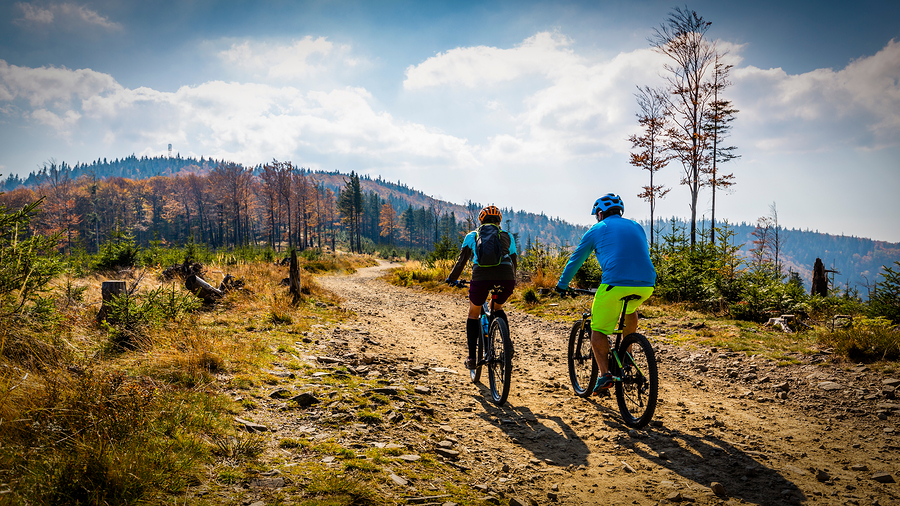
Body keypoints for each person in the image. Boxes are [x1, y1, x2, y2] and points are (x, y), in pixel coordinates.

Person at [556, 193, 656, 392]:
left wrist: (562, 285)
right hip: (647, 284)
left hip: (614, 283)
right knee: (630, 310)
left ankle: (604, 375)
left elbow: (576, 260)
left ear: (600, 214)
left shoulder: (597, 228)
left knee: (598, 330)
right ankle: (627, 358)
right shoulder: (637, 226)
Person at [446, 205, 518, 370]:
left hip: (481, 278)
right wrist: (512, 280)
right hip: (505, 278)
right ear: (498, 221)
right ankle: (507, 344)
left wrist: (452, 279)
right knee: (497, 307)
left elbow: (462, 261)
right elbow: (513, 261)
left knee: (474, 313)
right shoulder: (507, 236)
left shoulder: (473, 235)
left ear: (481, 220)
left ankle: (472, 358)